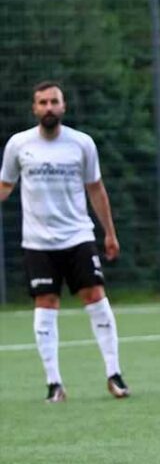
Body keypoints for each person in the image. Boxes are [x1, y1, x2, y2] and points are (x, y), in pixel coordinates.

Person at [0, 81, 130, 403]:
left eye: (54, 102)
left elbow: (96, 189)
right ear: (34, 108)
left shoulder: (82, 144)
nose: (48, 108)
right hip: (38, 241)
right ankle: (54, 383)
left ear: (64, 106)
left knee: (96, 296)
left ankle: (114, 374)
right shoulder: (19, 145)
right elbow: (5, 186)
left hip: (78, 236)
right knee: (45, 304)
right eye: (42, 102)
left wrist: (109, 232)